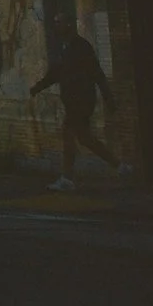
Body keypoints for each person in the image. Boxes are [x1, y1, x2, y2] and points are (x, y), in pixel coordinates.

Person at [30, 19, 128, 190]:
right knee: (84, 138)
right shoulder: (65, 49)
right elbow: (55, 73)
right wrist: (38, 87)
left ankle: (67, 178)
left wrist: (108, 98)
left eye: (60, 23)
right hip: (75, 101)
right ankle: (120, 166)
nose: (56, 27)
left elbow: (97, 72)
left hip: (81, 100)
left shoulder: (81, 47)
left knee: (68, 134)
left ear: (68, 27)